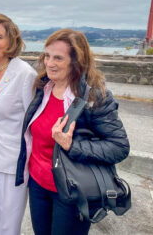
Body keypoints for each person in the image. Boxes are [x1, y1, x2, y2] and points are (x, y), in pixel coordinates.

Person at [15, 29, 130, 235]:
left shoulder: (93, 97)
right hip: (38, 184)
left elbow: (119, 147)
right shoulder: (43, 87)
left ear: (76, 62)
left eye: (58, 58)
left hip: (71, 190)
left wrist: (72, 145)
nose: (49, 63)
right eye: (47, 56)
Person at [0, 14, 37, 235]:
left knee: (10, 221)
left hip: (14, 158)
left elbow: (33, 120)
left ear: (11, 39)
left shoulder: (24, 74)